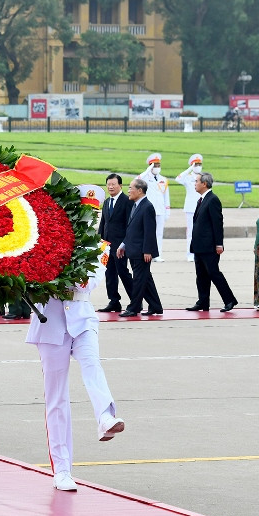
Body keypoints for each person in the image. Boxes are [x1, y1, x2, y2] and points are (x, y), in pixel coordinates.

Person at [27, 183, 124, 493]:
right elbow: (33, 277)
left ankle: (105, 416)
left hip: (82, 319)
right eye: (83, 211)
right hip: (51, 323)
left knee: (93, 365)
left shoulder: (100, 247)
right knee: (57, 400)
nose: (87, 219)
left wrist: (68, 271)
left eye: (92, 213)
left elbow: (87, 284)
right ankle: (62, 469)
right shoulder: (45, 242)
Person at [187, 172, 237, 312]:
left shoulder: (212, 199)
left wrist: (219, 244)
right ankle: (203, 301)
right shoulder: (202, 199)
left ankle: (229, 300)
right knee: (201, 275)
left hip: (209, 247)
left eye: (196, 181)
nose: (194, 184)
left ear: (204, 183)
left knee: (214, 273)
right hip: (199, 246)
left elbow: (217, 223)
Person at [117, 179, 162, 317]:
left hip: (141, 252)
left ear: (140, 190)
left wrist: (148, 250)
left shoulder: (147, 207)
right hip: (133, 249)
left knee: (138, 280)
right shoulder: (136, 205)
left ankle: (133, 308)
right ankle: (156, 306)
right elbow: (132, 230)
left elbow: (149, 231)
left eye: (131, 188)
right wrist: (123, 245)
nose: (128, 191)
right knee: (145, 280)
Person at [97, 174, 133, 313]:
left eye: (113, 184)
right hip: (107, 246)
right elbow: (103, 223)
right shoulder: (106, 202)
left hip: (120, 246)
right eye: (108, 185)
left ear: (120, 186)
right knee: (110, 275)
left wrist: (124, 244)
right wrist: (100, 241)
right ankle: (114, 301)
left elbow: (129, 225)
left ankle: (135, 301)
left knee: (123, 273)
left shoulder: (127, 201)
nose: (110, 187)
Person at [138, 153, 170, 262]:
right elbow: (137, 179)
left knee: (159, 233)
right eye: (154, 165)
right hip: (148, 210)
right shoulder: (145, 178)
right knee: (147, 232)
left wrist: (167, 210)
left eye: (158, 165)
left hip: (160, 209)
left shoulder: (163, 179)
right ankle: (147, 253)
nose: (157, 168)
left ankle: (157, 254)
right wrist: (148, 170)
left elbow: (166, 196)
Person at [175, 154, 203, 262]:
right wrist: (190, 169)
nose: (198, 166)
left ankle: (199, 253)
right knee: (191, 232)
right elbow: (178, 179)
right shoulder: (188, 177)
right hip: (191, 208)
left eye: (199, 164)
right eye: (196, 164)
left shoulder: (203, 177)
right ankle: (190, 254)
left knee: (201, 232)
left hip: (202, 207)